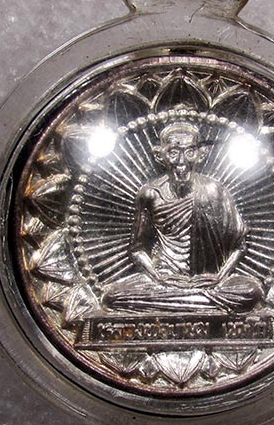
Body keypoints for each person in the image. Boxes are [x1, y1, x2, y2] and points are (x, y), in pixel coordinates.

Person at [102, 120, 263, 314]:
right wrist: (159, 278)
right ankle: (199, 303)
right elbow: (137, 249)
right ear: (159, 155)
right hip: (163, 281)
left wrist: (219, 277)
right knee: (112, 296)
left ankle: (178, 304)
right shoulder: (150, 194)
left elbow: (239, 246)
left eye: (189, 152)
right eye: (173, 153)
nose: (181, 162)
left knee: (251, 292)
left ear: (201, 154)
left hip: (209, 282)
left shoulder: (215, 191)